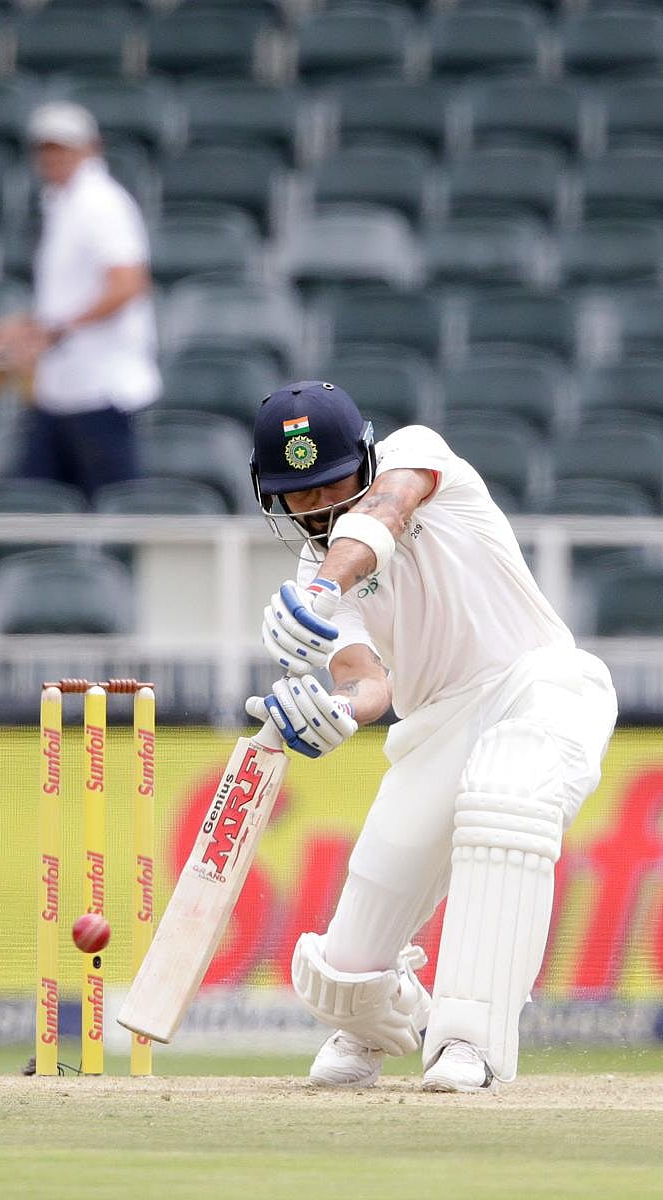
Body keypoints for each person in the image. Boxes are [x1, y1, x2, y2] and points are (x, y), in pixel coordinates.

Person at [247, 380, 617, 1092]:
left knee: (507, 799)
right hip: (435, 726)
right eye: (297, 496)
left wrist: (323, 589)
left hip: (539, 683)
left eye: (331, 484)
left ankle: (468, 1043)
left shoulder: (414, 457)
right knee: (341, 973)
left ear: (365, 455)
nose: (318, 507)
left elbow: (386, 508)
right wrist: (335, 714)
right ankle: (392, 1019)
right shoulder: (312, 573)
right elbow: (369, 683)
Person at [0, 102, 161, 501]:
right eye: (45, 149)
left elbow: (128, 284)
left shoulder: (101, 203)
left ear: (90, 149)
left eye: (63, 148)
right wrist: (26, 328)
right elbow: (68, 298)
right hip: (61, 389)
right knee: (41, 508)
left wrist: (53, 330)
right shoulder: (65, 204)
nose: (53, 158)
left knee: (109, 512)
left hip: (100, 389)